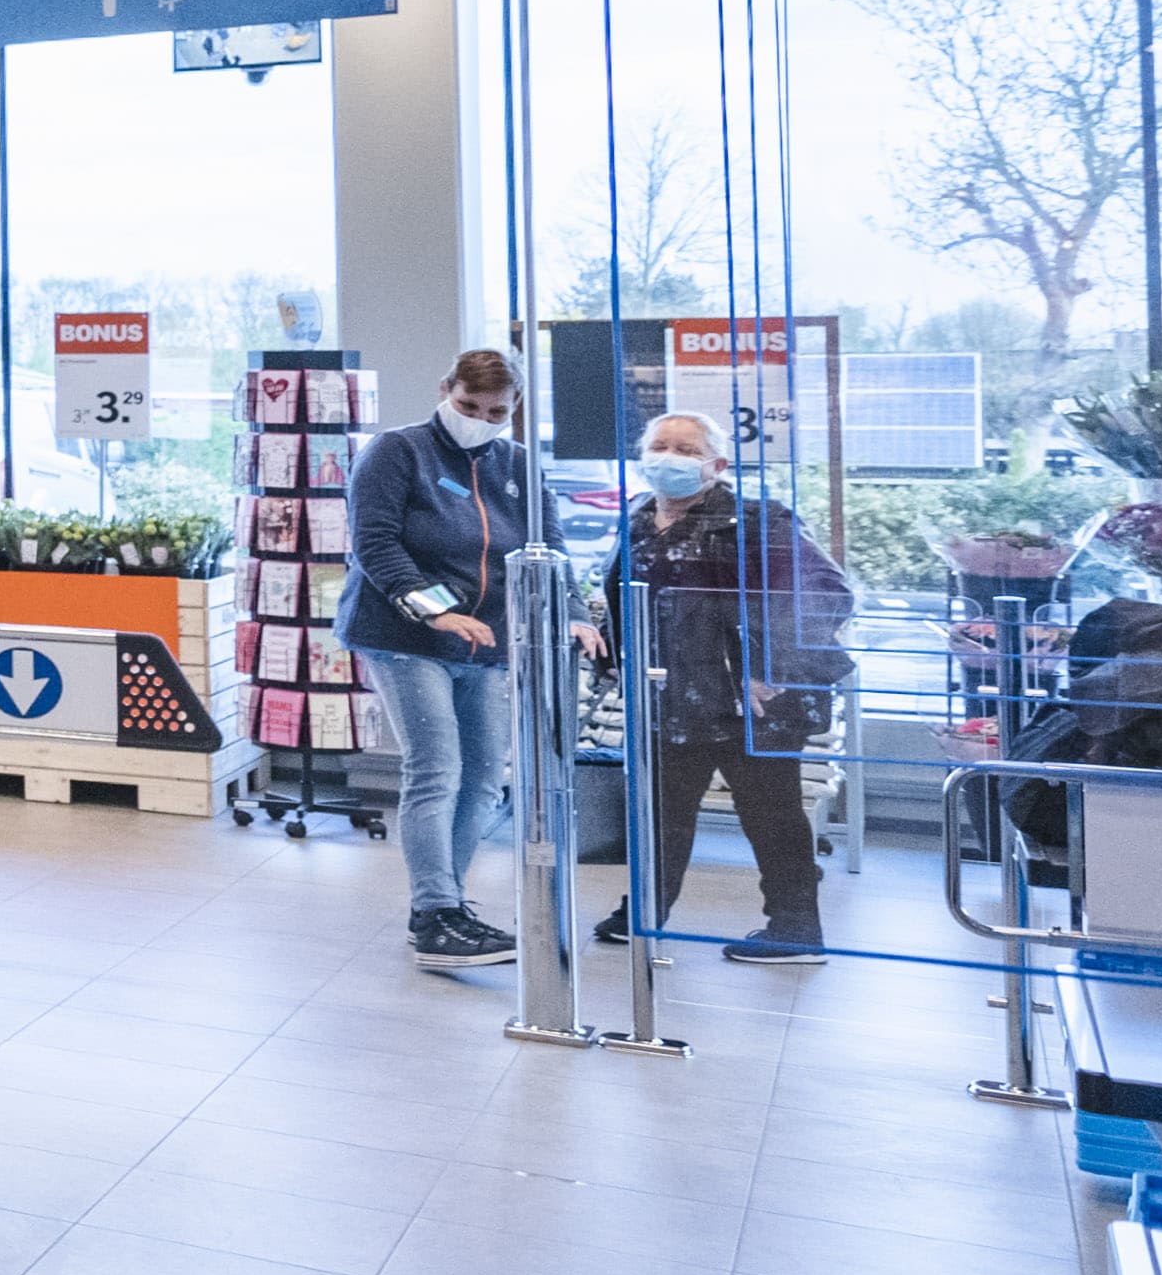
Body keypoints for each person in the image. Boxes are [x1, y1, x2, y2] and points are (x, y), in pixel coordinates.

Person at [588, 408, 847, 958]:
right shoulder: (637, 517)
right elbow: (626, 597)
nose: (669, 458)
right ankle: (645, 912)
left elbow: (826, 592)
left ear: (718, 465)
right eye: (660, 446)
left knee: (772, 816)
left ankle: (796, 929)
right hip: (669, 696)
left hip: (751, 702)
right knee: (660, 814)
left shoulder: (758, 521)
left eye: (686, 451)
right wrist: (609, 651)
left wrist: (769, 665)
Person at [345, 348, 537, 967]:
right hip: (405, 637)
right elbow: (375, 544)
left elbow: (547, 548)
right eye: (468, 405)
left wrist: (579, 617)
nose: (480, 420)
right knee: (436, 769)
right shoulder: (397, 451)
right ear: (444, 388)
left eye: (496, 412)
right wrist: (434, 610)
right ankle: (436, 912)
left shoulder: (519, 466)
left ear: (515, 409)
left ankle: (443, 906)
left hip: (485, 643)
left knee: (482, 780)